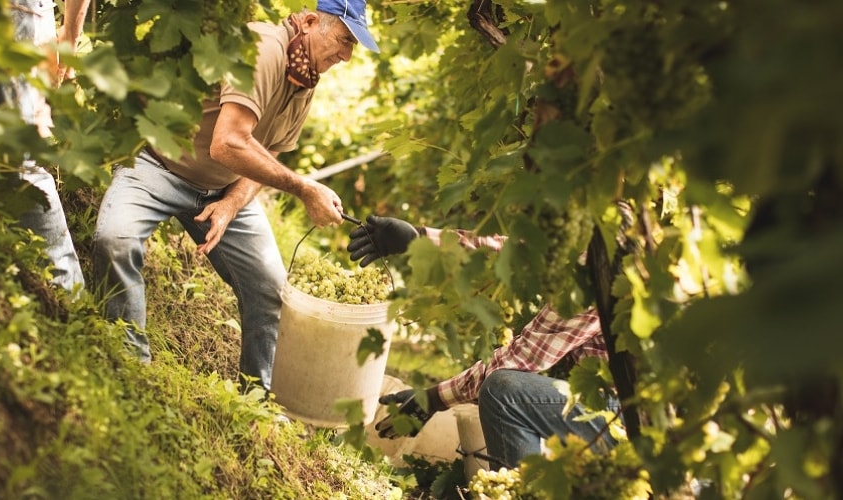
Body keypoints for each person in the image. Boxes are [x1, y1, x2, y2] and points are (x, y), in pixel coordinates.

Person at [92, 0, 380, 391]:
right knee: (115, 241)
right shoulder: (264, 49)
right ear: (311, 21)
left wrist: (231, 203)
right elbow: (227, 144)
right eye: (344, 40)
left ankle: (256, 398)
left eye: (353, 48)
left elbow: (270, 149)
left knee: (271, 291)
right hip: (159, 168)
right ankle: (128, 368)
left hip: (224, 189)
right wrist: (304, 188)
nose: (346, 56)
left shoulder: (305, 76)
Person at [347, 215, 622, 470]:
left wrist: (433, 398)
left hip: (628, 424)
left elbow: (526, 356)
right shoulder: (599, 226)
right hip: (612, 408)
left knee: (504, 392)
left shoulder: (596, 264)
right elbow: (517, 254)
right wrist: (418, 239)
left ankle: (516, 493)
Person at [1, 0, 91, 293]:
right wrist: (69, 38)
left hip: (18, 13)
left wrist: (69, 38)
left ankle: (70, 294)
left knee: (15, 159)